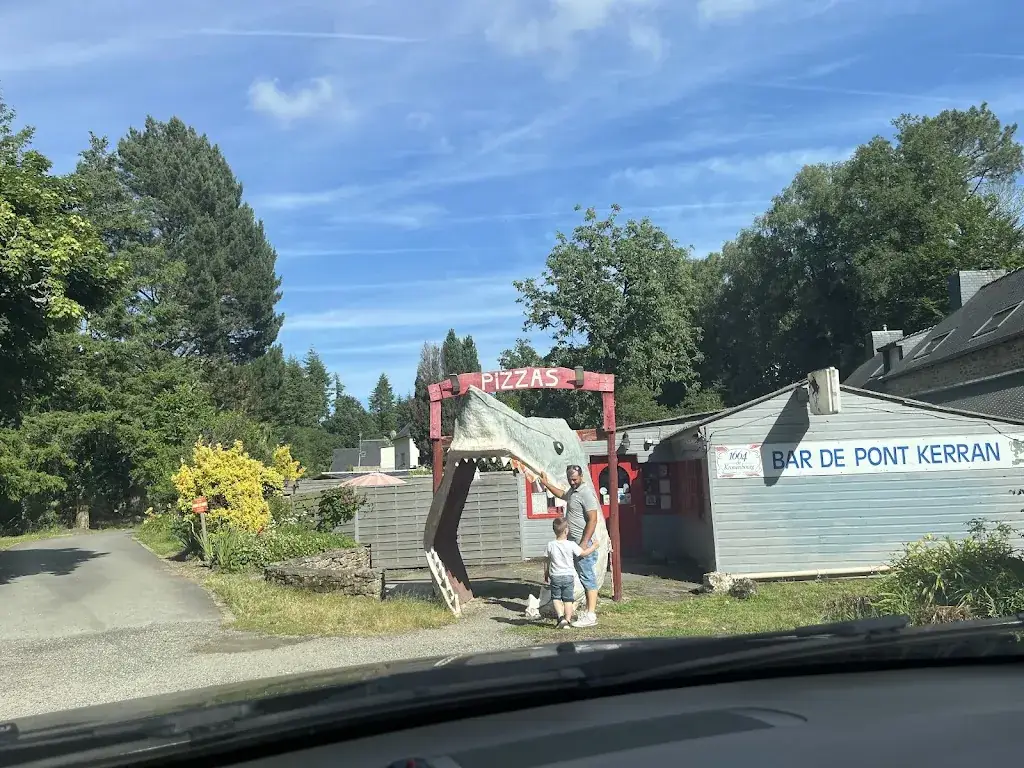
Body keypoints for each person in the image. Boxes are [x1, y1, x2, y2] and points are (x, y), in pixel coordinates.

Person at [538, 464, 601, 627]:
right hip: (575, 543)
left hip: (583, 543)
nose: (572, 482)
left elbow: (593, 520)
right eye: (569, 479)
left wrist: (584, 543)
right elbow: (562, 494)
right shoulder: (573, 492)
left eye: (574, 479)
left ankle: (591, 615)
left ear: (581, 477)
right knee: (582, 577)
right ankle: (584, 611)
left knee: (588, 578)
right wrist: (546, 484)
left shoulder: (586, 493)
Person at [544, 517, 598, 629]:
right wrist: (593, 547)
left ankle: (561, 617)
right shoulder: (571, 544)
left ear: (554, 531)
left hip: (555, 576)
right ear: (566, 531)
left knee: (556, 598)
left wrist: (546, 573)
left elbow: (546, 561)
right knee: (568, 599)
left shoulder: (550, 545)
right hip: (569, 576)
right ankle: (567, 620)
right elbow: (583, 553)